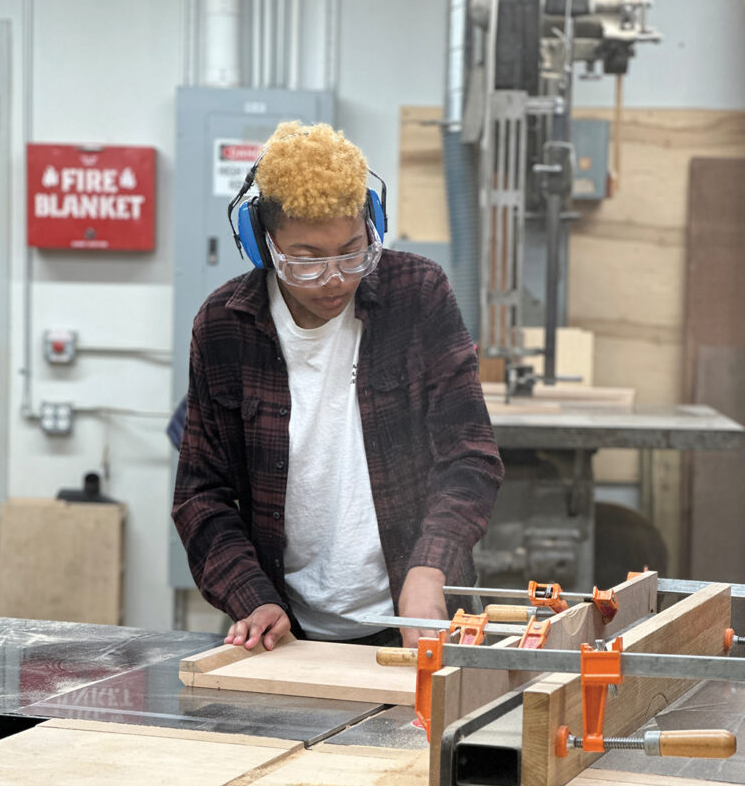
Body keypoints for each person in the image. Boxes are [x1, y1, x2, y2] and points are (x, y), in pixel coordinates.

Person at [172, 120, 503, 652]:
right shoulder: (223, 327)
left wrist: (429, 569)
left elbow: (470, 457)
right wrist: (252, 598)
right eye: (306, 261)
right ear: (264, 245)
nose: (334, 279)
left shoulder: (418, 295)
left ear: (372, 224)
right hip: (286, 633)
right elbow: (200, 495)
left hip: (420, 618)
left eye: (352, 252)